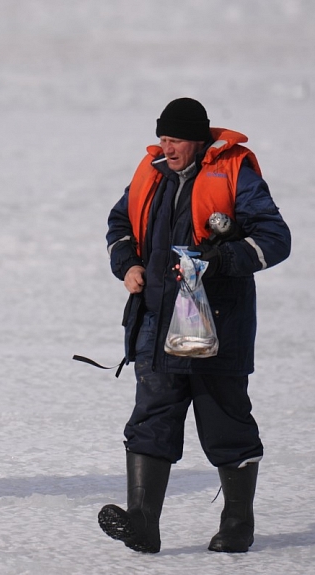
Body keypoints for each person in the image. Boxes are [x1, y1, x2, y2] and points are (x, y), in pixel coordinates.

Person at [98, 98, 290, 553]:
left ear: (199, 140)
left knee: (225, 422)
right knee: (151, 420)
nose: (168, 149)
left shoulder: (236, 172)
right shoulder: (152, 171)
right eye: (163, 139)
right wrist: (126, 264)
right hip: (156, 322)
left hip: (218, 326)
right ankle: (143, 523)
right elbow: (119, 223)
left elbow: (275, 238)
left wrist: (220, 259)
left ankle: (237, 523)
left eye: (177, 141)